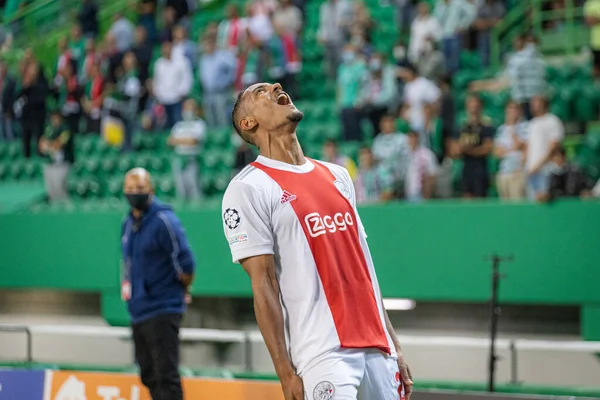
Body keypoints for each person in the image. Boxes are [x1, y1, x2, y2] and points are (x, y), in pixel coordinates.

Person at [222, 82, 413, 400]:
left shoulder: (337, 175)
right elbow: (263, 285)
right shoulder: (248, 188)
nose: (276, 86)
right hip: (323, 354)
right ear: (248, 123)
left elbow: (364, 271)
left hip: (379, 350)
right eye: (261, 92)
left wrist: (395, 347)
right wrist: (285, 372)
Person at [121, 168, 196, 400]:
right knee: (149, 373)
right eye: (131, 189)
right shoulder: (127, 224)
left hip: (163, 307)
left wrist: (181, 289)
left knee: (166, 376)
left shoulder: (165, 221)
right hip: (139, 310)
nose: (135, 193)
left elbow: (186, 265)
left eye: (140, 189)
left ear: (151, 191)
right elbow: (128, 262)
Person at [452, 94, 493, 198]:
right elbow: (454, 150)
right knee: (467, 197)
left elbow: (487, 148)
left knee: (480, 199)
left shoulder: (485, 126)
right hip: (466, 168)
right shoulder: (462, 127)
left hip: (480, 169)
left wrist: (470, 150)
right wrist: (461, 149)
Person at [526, 96, 564, 200]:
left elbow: (554, 146)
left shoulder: (552, 121)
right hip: (532, 171)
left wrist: (539, 165)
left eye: (537, 103)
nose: (534, 106)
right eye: (533, 104)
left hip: (547, 170)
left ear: (544, 104)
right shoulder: (532, 123)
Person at [167, 98, 206, 201]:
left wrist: (178, 140)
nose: (188, 110)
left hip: (192, 159)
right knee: (181, 188)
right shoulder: (178, 125)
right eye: (186, 107)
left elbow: (193, 141)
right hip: (179, 160)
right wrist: (186, 140)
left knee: (194, 187)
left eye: (191, 107)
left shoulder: (199, 124)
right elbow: (170, 141)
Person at [493, 100, 528, 199]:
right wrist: (512, 148)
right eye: (510, 109)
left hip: (517, 171)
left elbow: (522, 146)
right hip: (504, 171)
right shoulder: (501, 129)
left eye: (515, 109)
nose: (512, 112)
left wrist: (513, 130)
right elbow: (497, 152)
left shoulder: (525, 126)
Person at [39, 110, 74, 202]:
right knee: (51, 189)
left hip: (62, 163)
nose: (54, 119)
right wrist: (49, 145)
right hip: (50, 161)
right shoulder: (49, 128)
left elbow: (59, 145)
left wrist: (49, 145)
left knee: (60, 187)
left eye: (56, 116)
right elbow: (41, 144)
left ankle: (65, 209)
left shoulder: (65, 128)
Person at [405, 130, 437, 202]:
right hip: (405, 193)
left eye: (415, 137)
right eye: (410, 137)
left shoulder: (427, 154)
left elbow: (432, 174)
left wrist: (427, 193)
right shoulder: (404, 154)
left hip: (420, 193)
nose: (413, 140)